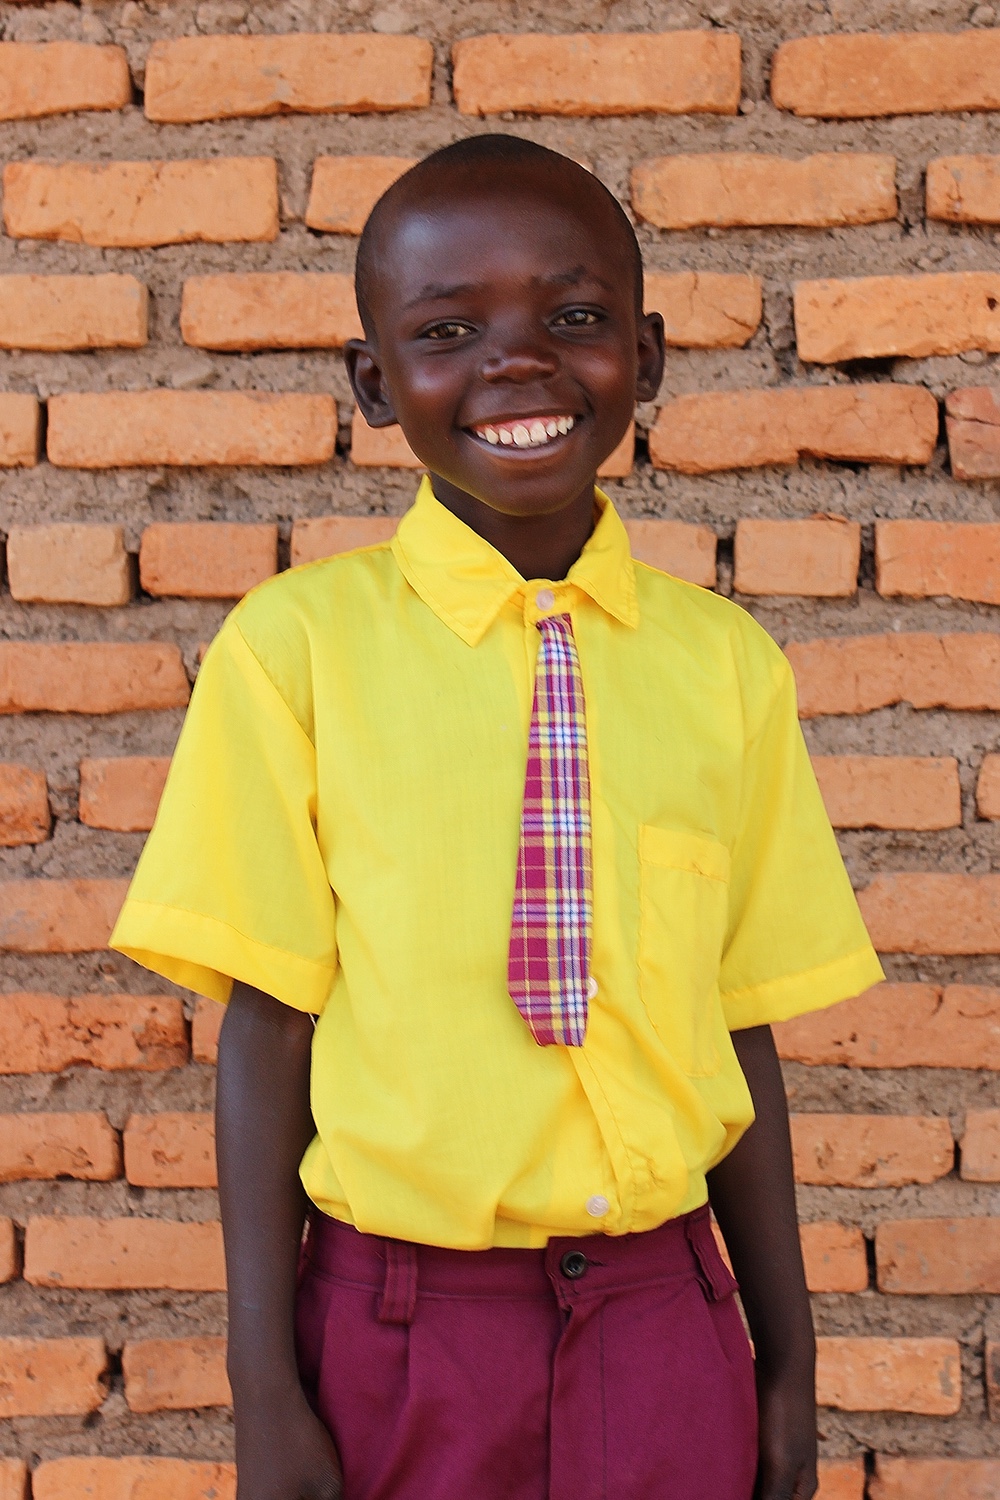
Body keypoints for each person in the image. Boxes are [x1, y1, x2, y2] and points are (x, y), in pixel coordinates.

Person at [110, 134, 884, 1500]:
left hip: (667, 1320)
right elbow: (268, 1028)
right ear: (374, 383)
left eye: (573, 319)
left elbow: (739, 1029)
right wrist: (262, 1387)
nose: (517, 364)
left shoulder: (726, 669)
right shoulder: (295, 656)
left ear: (646, 355)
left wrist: (789, 1364)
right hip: (401, 1334)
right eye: (447, 332)